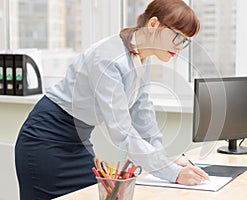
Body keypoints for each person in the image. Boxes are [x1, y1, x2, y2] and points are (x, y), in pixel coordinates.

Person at [15, 0, 209, 199]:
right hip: (46, 137)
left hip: (78, 140)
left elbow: (141, 111)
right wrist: (172, 173)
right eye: (177, 36)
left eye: (185, 41)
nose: (180, 46)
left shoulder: (142, 56)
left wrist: (163, 159)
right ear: (153, 25)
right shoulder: (108, 58)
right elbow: (122, 134)